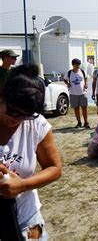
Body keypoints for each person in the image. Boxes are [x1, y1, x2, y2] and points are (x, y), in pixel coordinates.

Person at [0, 64, 62, 240]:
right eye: (12, 112)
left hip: (26, 218)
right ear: (2, 97)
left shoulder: (36, 124)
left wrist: (22, 185)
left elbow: (54, 168)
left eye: (25, 114)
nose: (17, 119)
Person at [64, 58, 90, 129]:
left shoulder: (82, 71)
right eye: (76, 64)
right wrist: (68, 84)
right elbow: (65, 79)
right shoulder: (69, 72)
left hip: (83, 93)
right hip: (73, 93)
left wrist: (86, 83)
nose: (78, 65)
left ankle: (86, 122)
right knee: (76, 109)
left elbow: (86, 78)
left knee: (84, 108)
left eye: (79, 64)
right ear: (73, 65)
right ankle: (79, 122)